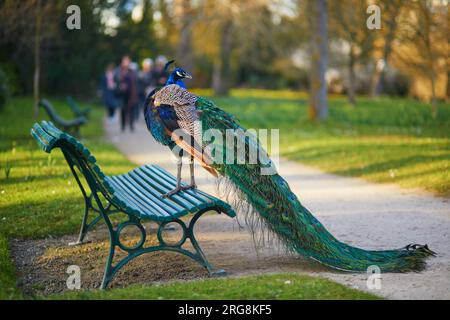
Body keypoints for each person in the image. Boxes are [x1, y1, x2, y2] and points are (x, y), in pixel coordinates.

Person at [115, 55, 138, 132]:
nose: (126, 63)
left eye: (127, 61)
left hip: (131, 93)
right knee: (123, 110)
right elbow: (116, 80)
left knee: (131, 109)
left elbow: (134, 81)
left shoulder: (132, 71)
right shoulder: (119, 71)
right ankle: (123, 126)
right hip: (122, 94)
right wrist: (120, 86)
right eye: (125, 61)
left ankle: (131, 125)